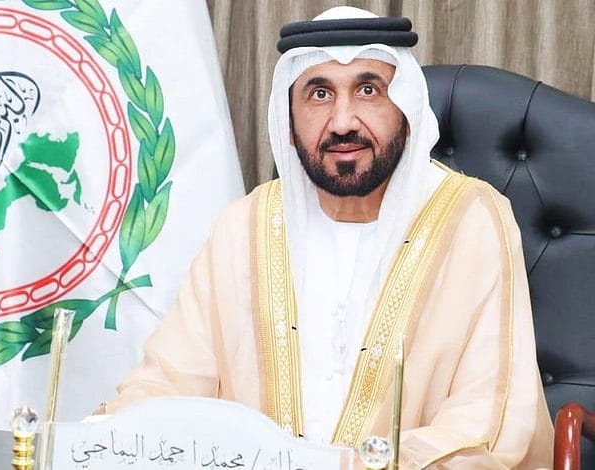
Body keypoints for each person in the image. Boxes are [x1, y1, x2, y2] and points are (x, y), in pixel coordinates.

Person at [101, 6, 553, 468]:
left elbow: (486, 420)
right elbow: (169, 382)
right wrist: (101, 441)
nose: (343, 122)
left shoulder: (471, 220)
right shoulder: (244, 225)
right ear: (289, 121)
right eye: (319, 94)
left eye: (368, 90)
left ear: (407, 110)